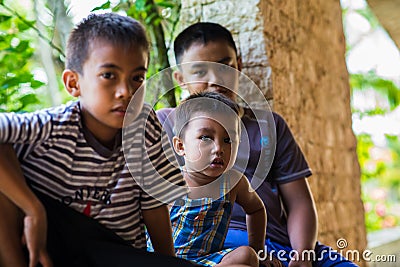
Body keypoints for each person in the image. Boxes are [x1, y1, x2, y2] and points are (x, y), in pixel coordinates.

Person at [156, 22, 359, 267]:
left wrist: (303, 255)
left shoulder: (269, 125)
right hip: (205, 246)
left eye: (225, 66)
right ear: (180, 78)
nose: (215, 80)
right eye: (200, 72)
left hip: (276, 243)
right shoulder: (166, 123)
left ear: (238, 65)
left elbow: (299, 202)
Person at [0, 13, 196, 267]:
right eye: (109, 75)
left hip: (113, 250)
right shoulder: (52, 127)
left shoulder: (143, 126)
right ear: (73, 83)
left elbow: (154, 205)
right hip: (47, 246)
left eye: (137, 78)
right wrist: (32, 208)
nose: (126, 91)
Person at [170, 91, 266, 267]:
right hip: (168, 259)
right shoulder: (171, 182)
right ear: (181, 146)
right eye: (206, 137)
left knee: (247, 256)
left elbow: (257, 210)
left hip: (208, 260)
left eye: (228, 140)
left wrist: (259, 250)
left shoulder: (234, 182)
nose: (218, 148)